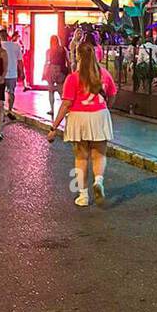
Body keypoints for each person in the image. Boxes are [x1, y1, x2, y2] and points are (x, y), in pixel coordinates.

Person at [47, 42, 117, 207]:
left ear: (78, 56)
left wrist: (53, 127)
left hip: (78, 118)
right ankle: (98, 181)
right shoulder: (104, 74)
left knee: (81, 157)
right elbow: (112, 95)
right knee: (99, 154)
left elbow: (66, 104)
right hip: (99, 115)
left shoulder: (72, 78)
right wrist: (106, 108)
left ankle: (83, 196)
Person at [0, 28, 23, 117]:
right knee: (11, 92)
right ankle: (10, 109)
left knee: (0, 93)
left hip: (1, 74)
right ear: (7, 36)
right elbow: (20, 60)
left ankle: (2, 111)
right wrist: (22, 72)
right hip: (13, 73)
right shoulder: (16, 46)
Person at [45, 34, 68, 115]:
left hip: (51, 69)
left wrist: (44, 72)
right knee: (61, 91)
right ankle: (65, 109)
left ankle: (52, 109)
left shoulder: (49, 50)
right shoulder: (63, 49)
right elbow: (68, 60)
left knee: (50, 91)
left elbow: (47, 62)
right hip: (60, 70)